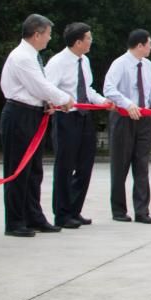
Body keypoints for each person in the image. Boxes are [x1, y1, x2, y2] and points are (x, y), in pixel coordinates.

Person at [0, 14, 74, 237]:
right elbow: (39, 85)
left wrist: (49, 102)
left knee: (34, 170)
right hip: (19, 115)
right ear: (36, 34)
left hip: (34, 113)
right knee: (18, 169)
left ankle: (33, 215)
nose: (49, 39)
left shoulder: (32, 56)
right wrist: (63, 98)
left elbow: (38, 89)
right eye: (48, 34)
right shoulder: (22, 57)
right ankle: (15, 221)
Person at [44, 22, 112, 229]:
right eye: (89, 38)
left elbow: (87, 88)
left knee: (85, 165)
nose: (91, 41)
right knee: (65, 166)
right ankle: (62, 214)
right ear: (78, 42)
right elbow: (48, 88)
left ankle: (75, 209)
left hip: (83, 116)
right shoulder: (58, 62)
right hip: (66, 117)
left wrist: (102, 102)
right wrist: (61, 101)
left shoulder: (84, 61)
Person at [103, 29, 151, 224]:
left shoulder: (148, 65)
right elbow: (109, 89)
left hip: (144, 119)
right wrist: (128, 104)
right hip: (123, 117)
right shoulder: (120, 64)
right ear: (140, 45)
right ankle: (119, 210)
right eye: (149, 43)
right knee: (120, 165)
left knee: (141, 164)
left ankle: (142, 210)